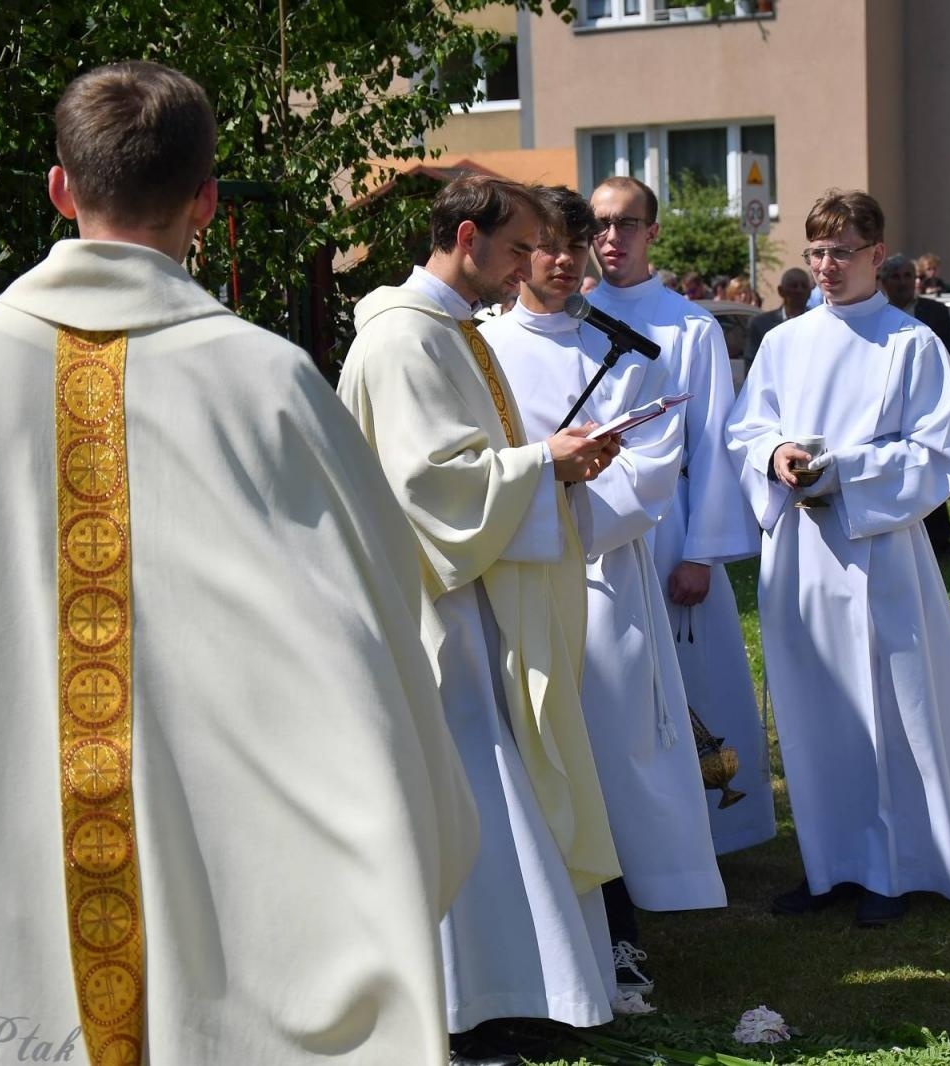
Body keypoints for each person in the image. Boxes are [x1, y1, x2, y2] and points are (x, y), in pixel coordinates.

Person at [0, 61, 479, 1064]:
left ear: (60, 188)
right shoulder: (267, 382)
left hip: (27, 818)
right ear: (207, 200)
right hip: (237, 846)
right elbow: (377, 613)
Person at [338, 175, 624, 1060]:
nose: (520, 272)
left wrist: (547, 466)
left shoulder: (454, 332)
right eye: (510, 251)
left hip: (477, 596)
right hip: (438, 611)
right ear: (466, 236)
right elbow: (431, 485)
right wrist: (547, 464)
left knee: (507, 793)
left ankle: (525, 986)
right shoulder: (401, 341)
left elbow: (473, 467)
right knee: (473, 799)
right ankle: (474, 1001)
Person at [727, 190, 950, 928]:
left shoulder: (908, 341)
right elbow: (746, 427)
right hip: (800, 550)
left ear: (877, 255)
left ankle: (891, 867)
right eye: (816, 253)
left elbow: (933, 455)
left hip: (876, 551)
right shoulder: (786, 341)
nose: (825, 267)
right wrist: (776, 453)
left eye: (841, 252)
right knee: (812, 707)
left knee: (886, 709)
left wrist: (838, 470)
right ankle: (828, 867)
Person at [482, 186, 726, 1002]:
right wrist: (537, 485)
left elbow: (649, 471)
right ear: (519, 252)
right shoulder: (480, 349)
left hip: (601, 580)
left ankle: (621, 936)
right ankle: (537, 935)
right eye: (543, 243)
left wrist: (552, 503)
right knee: (527, 758)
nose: (560, 259)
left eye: (573, 244)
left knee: (608, 761)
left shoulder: (626, 351)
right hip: (512, 584)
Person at [588, 176, 773, 863]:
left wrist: (702, 552)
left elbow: (714, 442)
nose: (611, 237)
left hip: (672, 532)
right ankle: (619, 831)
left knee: (690, 682)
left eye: (626, 223)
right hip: (591, 527)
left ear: (652, 232)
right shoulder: (570, 316)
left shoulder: (689, 324)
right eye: (599, 224)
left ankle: (713, 826)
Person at [879, 253, 950, 560]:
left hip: (926, 402)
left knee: (929, 468)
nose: (902, 283)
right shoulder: (879, 316)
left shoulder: (935, 312)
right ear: (884, 281)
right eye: (896, 277)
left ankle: (941, 546)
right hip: (891, 409)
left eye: (907, 276)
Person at [745, 267, 812, 366]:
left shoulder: (819, 324)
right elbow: (752, 364)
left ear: (810, 292)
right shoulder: (760, 324)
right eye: (794, 286)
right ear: (781, 291)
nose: (799, 290)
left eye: (804, 286)